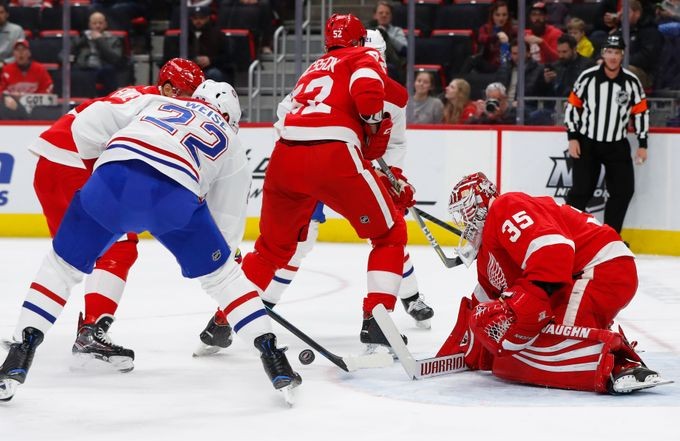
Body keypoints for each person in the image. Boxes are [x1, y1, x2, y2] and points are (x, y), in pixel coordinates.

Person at [0, 80, 302, 402]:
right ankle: (274, 359)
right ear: (231, 118)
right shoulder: (231, 141)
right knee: (224, 278)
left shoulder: (155, 102)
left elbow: (88, 126)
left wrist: (106, 170)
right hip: (176, 198)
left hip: (113, 178)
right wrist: (221, 257)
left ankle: (19, 355)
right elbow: (226, 223)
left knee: (61, 268)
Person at [239, 14, 411, 351]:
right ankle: (378, 322)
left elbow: (286, 113)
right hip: (332, 154)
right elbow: (368, 91)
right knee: (390, 234)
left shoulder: (314, 67)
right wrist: (373, 123)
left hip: (285, 156)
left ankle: (224, 318)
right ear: (362, 41)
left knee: (270, 249)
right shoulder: (364, 56)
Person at [28, 58, 205, 372]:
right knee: (120, 246)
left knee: (75, 255)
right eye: (187, 94)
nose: (191, 103)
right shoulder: (157, 109)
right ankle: (91, 333)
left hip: (49, 166)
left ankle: (30, 329)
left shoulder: (138, 97)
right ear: (166, 87)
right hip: (73, 164)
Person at [437, 172, 668, 394]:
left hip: (601, 267)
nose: (464, 221)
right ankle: (602, 345)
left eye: (466, 211)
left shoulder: (505, 207)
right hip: (576, 276)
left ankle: (620, 364)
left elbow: (555, 251)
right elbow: (485, 302)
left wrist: (524, 304)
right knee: (515, 353)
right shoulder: (488, 251)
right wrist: (458, 353)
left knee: (555, 344)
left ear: (480, 202)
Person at [564, 34, 649, 235]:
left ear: (622, 55)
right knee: (580, 192)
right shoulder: (588, 77)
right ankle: (569, 235)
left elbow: (641, 113)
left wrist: (643, 143)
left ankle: (610, 236)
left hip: (617, 144)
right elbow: (572, 107)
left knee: (623, 190)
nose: (613, 56)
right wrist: (573, 136)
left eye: (617, 52)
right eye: (609, 51)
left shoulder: (632, 82)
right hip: (588, 143)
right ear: (603, 53)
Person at [163, 6, 228, 83]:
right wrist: (190, 60)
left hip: (211, 68)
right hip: (188, 70)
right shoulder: (184, 36)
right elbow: (173, 55)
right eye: (195, 18)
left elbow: (227, 57)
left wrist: (210, 60)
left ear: (208, 18)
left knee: (214, 74)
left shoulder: (218, 35)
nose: (198, 21)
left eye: (202, 18)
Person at [72, 11, 126, 96]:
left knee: (109, 70)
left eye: (100, 23)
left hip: (102, 68)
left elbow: (115, 59)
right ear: (89, 25)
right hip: (84, 67)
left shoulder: (113, 39)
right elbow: (67, 53)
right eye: (94, 23)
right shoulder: (80, 38)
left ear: (105, 24)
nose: (97, 26)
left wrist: (100, 40)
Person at [613, 0, 663, 89]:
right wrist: (600, 59)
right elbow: (605, 48)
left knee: (623, 70)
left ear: (637, 14)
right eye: (621, 12)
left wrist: (620, 61)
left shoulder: (650, 31)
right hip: (619, 65)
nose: (622, 15)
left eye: (626, 12)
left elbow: (646, 58)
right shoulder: (619, 32)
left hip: (644, 73)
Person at [0, 39, 53, 120]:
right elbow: (1, 89)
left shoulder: (39, 69)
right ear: (13, 53)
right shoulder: (6, 70)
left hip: (36, 110)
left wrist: (31, 98)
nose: (20, 53)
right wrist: (5, 97)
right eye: (17, 50)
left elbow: (48, 89)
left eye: (23, 49)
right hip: (12, 110)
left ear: (29, 53)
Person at [543, 34, 593, 98]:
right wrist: (547, 82)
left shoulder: (588, 65)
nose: (561, 56)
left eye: (564, 52)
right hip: (557, 104)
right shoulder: (555, 66)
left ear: (574, 49)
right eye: (559, 52)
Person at [369, 0, 406, 83]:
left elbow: (404, 49)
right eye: (381, 13)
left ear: (391, 16)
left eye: (387, 13)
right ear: (375, 15)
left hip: (392, 65)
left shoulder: (397, 31)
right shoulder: (368, 31)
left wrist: (385, 33)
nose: (384, 15)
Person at [475, 0, 516, 73]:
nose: (501, 18)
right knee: (472, 60)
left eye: (504, 15)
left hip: (507, 67)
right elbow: (481, 39)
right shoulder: (485, 29)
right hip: (488, 66)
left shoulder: (513, 31)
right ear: (492, 16)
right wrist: (495, 36)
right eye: (497, 15)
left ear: (508, 16)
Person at [0, 1, 25, 69]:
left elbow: (21, 53)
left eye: (1, 12)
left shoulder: (17, 30)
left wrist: (4, 63)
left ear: (7, 14)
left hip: (10, 66)